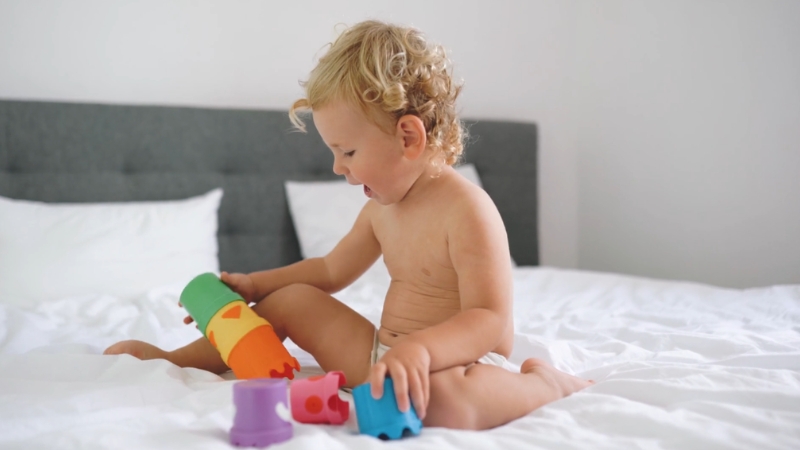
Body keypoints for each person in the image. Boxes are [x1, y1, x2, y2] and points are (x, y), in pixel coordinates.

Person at [104, 19, 591, 430]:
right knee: (290, 301)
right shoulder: (381, 208)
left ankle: (543, 384)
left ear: (408, 137)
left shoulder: (468, 210)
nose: (338, 168)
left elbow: (490, 320)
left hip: (458, 364)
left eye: (349, 152)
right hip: (381, 353)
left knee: (446, 405)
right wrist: (252, 285)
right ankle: (182, 361)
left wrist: (420, 353)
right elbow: (330, 270)